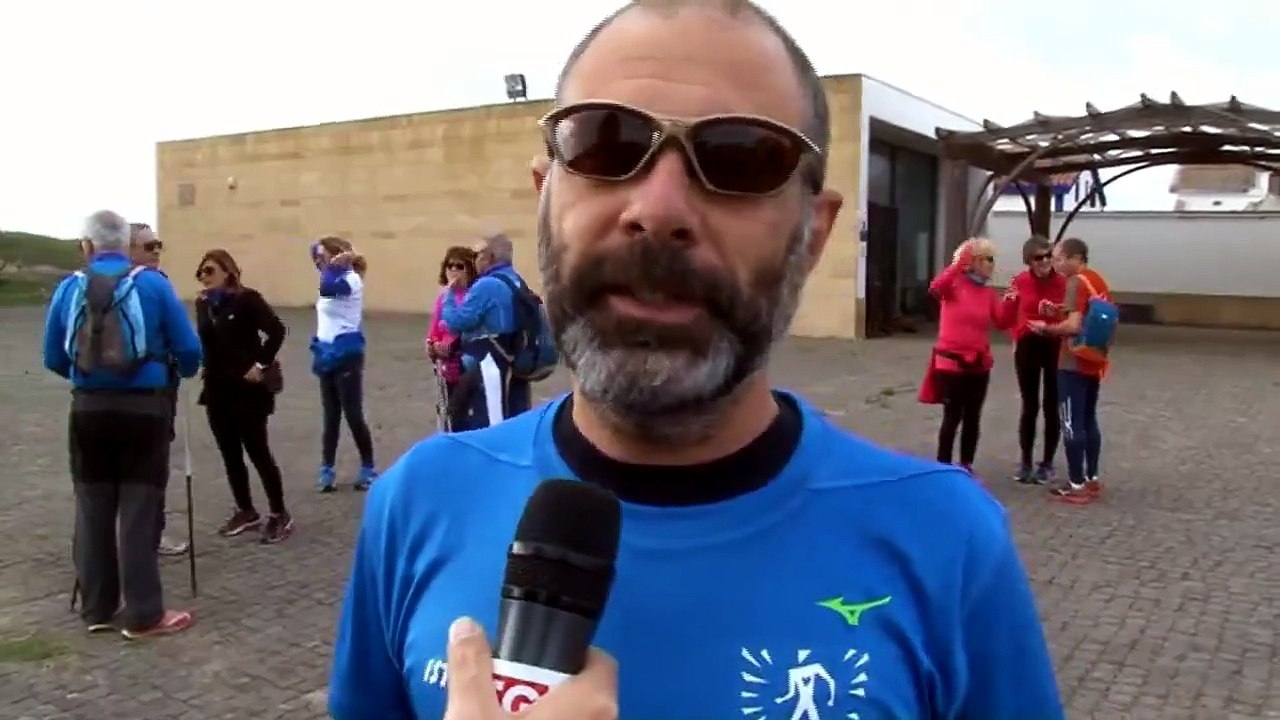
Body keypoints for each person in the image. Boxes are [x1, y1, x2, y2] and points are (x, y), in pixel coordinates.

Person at [328, 2, 1063, 719]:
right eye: (605, 144)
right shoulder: (417, 501)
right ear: (544, 196)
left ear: (814, 232)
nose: (658, 209)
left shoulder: (947, 545)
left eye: (740, 158)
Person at [43, 209, 201, 639]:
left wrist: (90, 377)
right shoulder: (152, 284)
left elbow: (53, 356)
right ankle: (144, 614)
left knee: (91, 506)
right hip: (144, 410)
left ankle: (97, 608)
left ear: (87, 246)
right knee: (138, 508)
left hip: (88, 409)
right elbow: (190, 350)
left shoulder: (68, 288)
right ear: (126, 245)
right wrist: (175, 370)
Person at [194, 249, 293, 543]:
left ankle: (279, 513)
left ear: (228, 271)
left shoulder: (247, 299)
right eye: (200, 273)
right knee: (230, 453)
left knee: (257, 450)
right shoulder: (203, 304)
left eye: (209, 271)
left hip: (247, 390)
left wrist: (260, 364)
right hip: (216, 389)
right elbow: (207, 342)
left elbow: (276, 331)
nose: (204, 277)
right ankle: (245, 509)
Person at [924, 237, 1019, 475]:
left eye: (992, 260)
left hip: (978, 364)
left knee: (972, 417)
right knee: (952, 416)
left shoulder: (988, 293)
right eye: (988, 259)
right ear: (974, 262)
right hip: (951, 363)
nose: (992, 265)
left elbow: (1002, 321)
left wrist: (1012, 302)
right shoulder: (953, 285)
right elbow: (935, 287)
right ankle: (943, 467)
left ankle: (966, 465)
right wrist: (958, 264)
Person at [1028, 236, 1111, 503]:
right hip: (1093, 359)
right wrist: (1058, 311)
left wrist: (1047, 328)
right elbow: (1086, 315)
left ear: (1076, 258)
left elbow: (1074, 326)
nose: (1056, 264)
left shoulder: (1075, 282)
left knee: (1070, 422)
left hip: (1072, 362)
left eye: (1060, 258)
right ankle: (1091, 477)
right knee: (1088, 419)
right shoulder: (1097, 280)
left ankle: (1076, 485)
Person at [127, 223, 188, 557]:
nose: (156, 252)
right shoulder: (155, 284)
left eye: (158, 245)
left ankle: (112, 543)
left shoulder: (94, 284)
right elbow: (186, 344)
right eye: (149, 246)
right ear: (128, 249)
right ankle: (149, 536)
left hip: (101, 393)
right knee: (152, 466)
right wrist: (187, 365)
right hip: (154, 389)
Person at [438, 232, 535, 428]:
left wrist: (448, 295)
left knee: (490, 419)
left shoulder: (486, 285)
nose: (475, 260)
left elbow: (457, 321)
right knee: (512, 415)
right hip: (513, 358)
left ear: (488, 256)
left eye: (477, 255)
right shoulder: (515, 280)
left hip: (489, 362)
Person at [310, 236, 378, 492]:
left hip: (347, 351)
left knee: (352, 413)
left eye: (323, 256)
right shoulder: (330, 274)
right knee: (330, 415)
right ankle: (327, 468)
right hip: (325, 350)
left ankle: (368, 467)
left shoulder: (351, 280)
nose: (318, 261)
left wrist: (339, 264)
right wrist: (331, 257)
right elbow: (314, 254)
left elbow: (327, 288)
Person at [1008, 236, 1067, 484]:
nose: (1044, 262)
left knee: (1052, 404)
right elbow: (1009, 312)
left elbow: (1072, 313)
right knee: (1029, 404)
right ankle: (1025, 461)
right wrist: (1016, 334)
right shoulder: (1020, 281)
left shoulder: (1063, 282)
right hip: (1028, 344)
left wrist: (1056, 316)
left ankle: (1047, 463)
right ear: (1029, 260)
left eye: (1048, 256)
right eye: (1038, 258)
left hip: (1054, 343)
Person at [425, 246, 478, 431]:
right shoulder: (442, 299)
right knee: (449, 414)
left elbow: (466, 325)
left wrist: (452, 345)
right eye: (450, 266)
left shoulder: (473, 295)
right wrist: (433, 345)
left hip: (466, 364)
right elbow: (434, 330)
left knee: (462, 414)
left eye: (460, 266)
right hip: (446, 367)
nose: (454, 270)